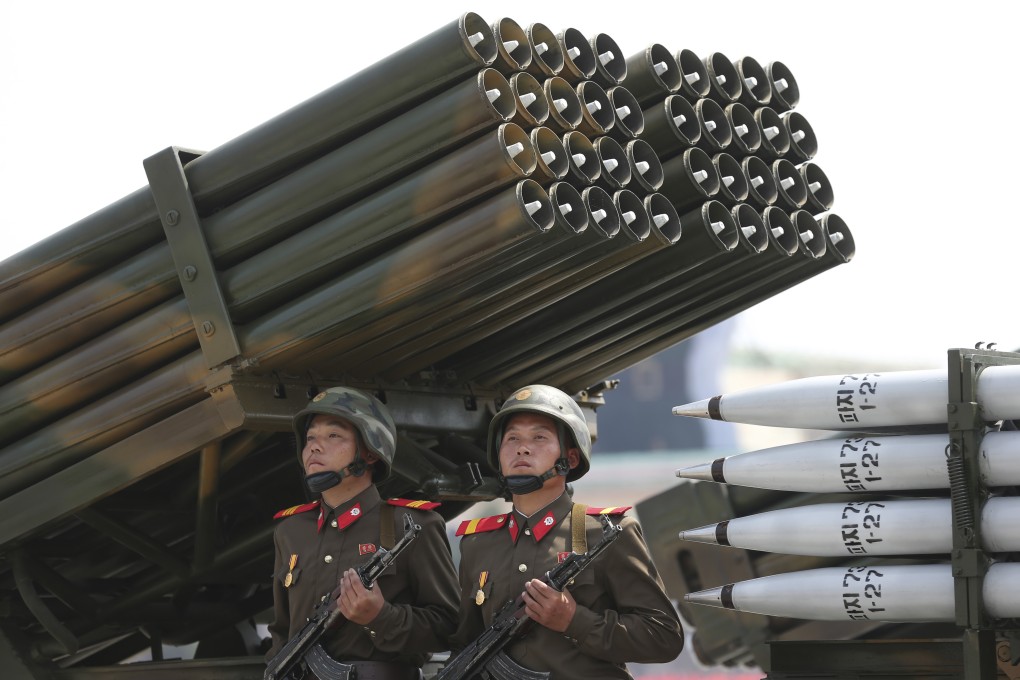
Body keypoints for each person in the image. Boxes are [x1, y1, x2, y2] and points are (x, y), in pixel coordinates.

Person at [449, 384, 684, 678]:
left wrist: (574, 621)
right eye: (512, 438)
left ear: (570, 458)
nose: (522, 447)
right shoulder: (478, 543)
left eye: (539, 437)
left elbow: (663, 637)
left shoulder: (607, 533)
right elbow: (467, 644)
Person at [266, 386, 460, 679]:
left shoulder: (412, 524)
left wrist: (380, 618)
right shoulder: (291, 531)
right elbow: (282, 633)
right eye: (310, 438)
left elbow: (450, 627)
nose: (315, 447)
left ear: (369, 453)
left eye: (333, 435)